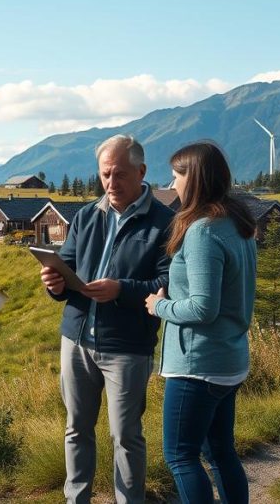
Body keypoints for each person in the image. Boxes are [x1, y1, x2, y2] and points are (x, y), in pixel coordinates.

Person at [41, 135, 174, 504]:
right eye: (105, 175)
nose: (111, 184)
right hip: (76, 339)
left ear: (142, 172)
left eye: (120, 175)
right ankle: (76, 499)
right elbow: (68, 271)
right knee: (76, 429)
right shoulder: (86, 216)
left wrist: (122, 289)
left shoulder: (166, 223)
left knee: (126, 436)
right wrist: (55, 283)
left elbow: (168, 284)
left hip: (128, 347)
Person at [144, 141, 256, 504]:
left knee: (180, 456)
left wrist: (159, 307)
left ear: (195, 179)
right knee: (221, 452)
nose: (172, 182)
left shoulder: (203, 231)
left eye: (177, 175)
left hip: (198, 366)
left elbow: (203, 307)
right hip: (228, 361)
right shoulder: (238, 224)